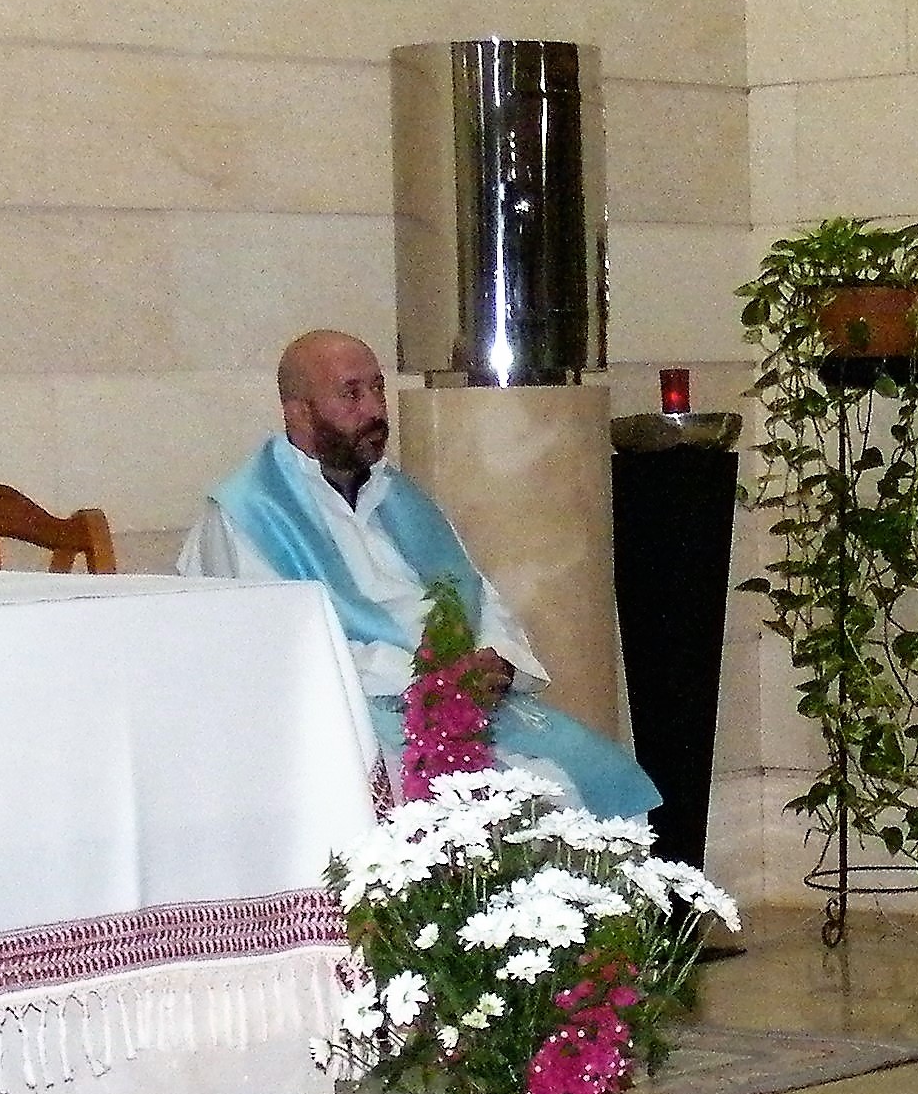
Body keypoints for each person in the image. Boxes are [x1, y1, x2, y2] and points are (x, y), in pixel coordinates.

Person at [181, 331, 659, 819]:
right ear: (299, 411)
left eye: (378, 389)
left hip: (459, 700)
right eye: (351, 394)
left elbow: (479, 597)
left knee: (595, 775)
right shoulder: (247, 516)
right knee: (473, 800)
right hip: (345, 717)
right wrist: (432, 676)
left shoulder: (403, 499)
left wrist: (499, 660)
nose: (375, 410)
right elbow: (275, 653)